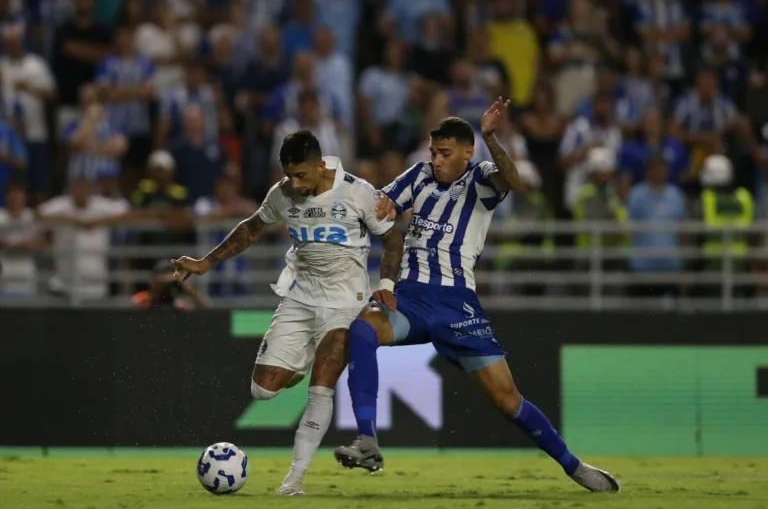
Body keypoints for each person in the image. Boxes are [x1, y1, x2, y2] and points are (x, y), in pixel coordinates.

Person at [335, 98, 622, 493]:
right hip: (412, 299)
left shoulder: (481, 177)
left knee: (508, 401)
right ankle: (367, 440)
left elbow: (514, 179)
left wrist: (491, 136)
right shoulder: (417, 175)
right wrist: (372, 206)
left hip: (458, 306)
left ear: (468, 152)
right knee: (362, 331)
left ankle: (574, 467)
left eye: (445, 153)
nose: (436, 160)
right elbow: (380, 209)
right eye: (434, 152)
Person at [169, 131, 402, 496]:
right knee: (262, 390)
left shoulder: (357, 192)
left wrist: (386, 284)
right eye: (289, 175)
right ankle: (301, 361)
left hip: (346, 304)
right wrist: (204, 263)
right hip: (299, 299)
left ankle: (293, 482)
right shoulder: (282, 193)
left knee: (321, 389)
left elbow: (392, 236)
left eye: (301, 176)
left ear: (321, 165)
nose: (295, 183)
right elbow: (251, 228)